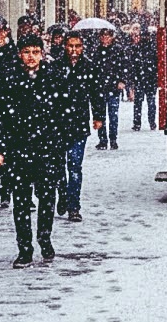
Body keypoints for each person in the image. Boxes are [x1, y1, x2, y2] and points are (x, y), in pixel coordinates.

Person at [0, 34, 75, 268]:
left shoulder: (54, 77)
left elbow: (66, 110)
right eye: (26, 52)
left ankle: (44, 237)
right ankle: (24, 247)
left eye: (35, 52)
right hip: (19, 148)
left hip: (48, 147)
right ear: (20, 54)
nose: (31, 57)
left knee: (47, 196)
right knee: (21, 200)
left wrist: (61, 140)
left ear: (42, 53)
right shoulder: (9, 78)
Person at [52, 31, 105, 221]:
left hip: (78, 124)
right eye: (71, 46)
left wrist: (98, 116)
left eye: (78, 46)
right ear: (65, 46)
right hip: (57, 124)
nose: (74, 50)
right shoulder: (56, 67)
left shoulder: (89, 67)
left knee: (74, 166)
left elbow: (97, 93)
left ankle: (74, 205)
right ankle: (63, 195)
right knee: (58, 167)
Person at [92, 28, 127, 150]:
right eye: (103, 36)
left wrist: (122, 80)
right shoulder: (97, 51)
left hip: (113, 87)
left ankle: (113, 139)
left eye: (107, 36)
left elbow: (123, 66)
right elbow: (94, 69)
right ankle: (102, 140)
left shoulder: (117, 50)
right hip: (100, 88)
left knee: (113, 115)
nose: (105, 38)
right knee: (101, 115)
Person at [128, 27, 159, 131]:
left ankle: (137, 123)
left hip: (141, 79)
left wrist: (133, 79)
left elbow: (133, 65)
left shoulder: (137, 48)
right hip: (150, 79)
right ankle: (152, 122)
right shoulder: (153, 48)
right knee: (150, 102)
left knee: (139, 102)